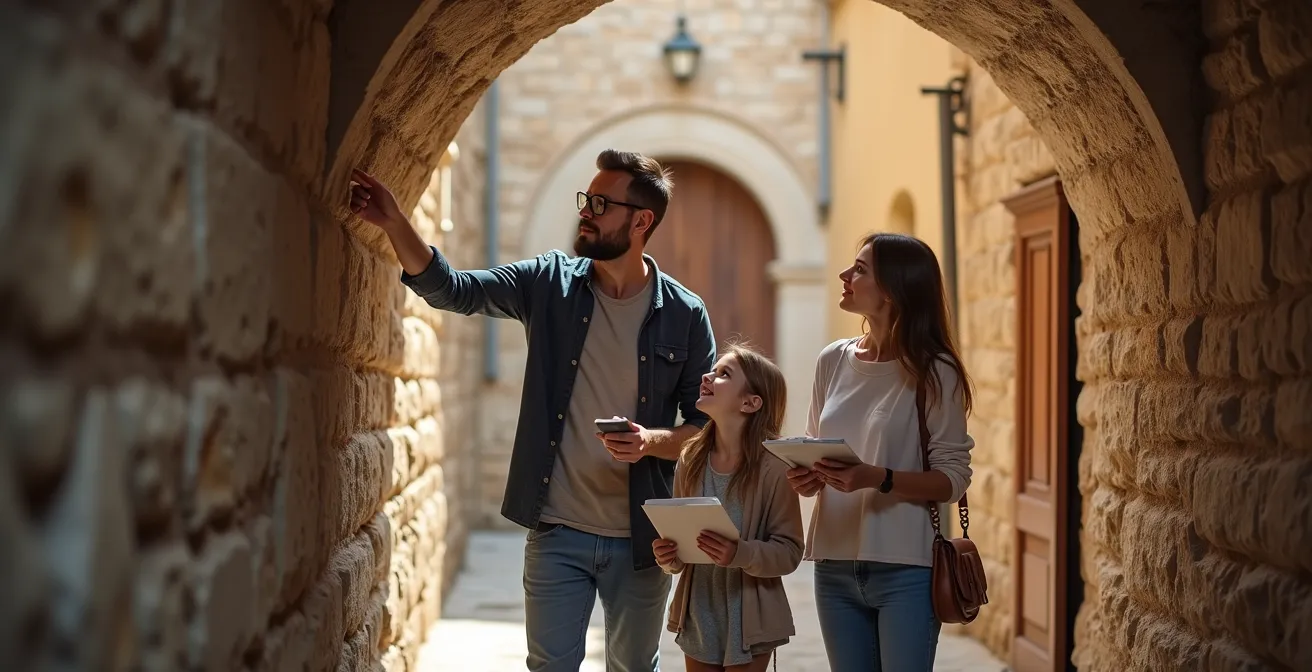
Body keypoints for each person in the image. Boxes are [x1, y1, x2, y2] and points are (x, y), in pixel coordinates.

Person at [348, 150, 717, 672]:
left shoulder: (685, 313)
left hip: (643, 539)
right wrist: (394, 222)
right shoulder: (549, 283)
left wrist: (650, 442)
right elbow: (453, 290)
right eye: (586, 199)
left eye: (601, 204)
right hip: (556, 532)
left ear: (641, 222)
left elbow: (705, 427)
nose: (585, 211)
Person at [785, 233, 976, 672]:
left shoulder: (935, 371)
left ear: (892, 289)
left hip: (905, 567)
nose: (844, 275)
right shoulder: (832, 360)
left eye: (860, 269)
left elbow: (952, 480)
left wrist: (878, 478)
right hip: (833, 564)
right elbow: (814, 448)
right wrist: (807, 478)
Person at [652, 343, 803, 672]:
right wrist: (669, 556)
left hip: (751, 619)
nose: (707, 377)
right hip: (698, 613)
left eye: (724, 374)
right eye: (713, 370)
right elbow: (681, 549)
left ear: (750, 403)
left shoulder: (776, 468)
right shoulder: (690, 459)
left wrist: (740, 554)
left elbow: (790, 552)